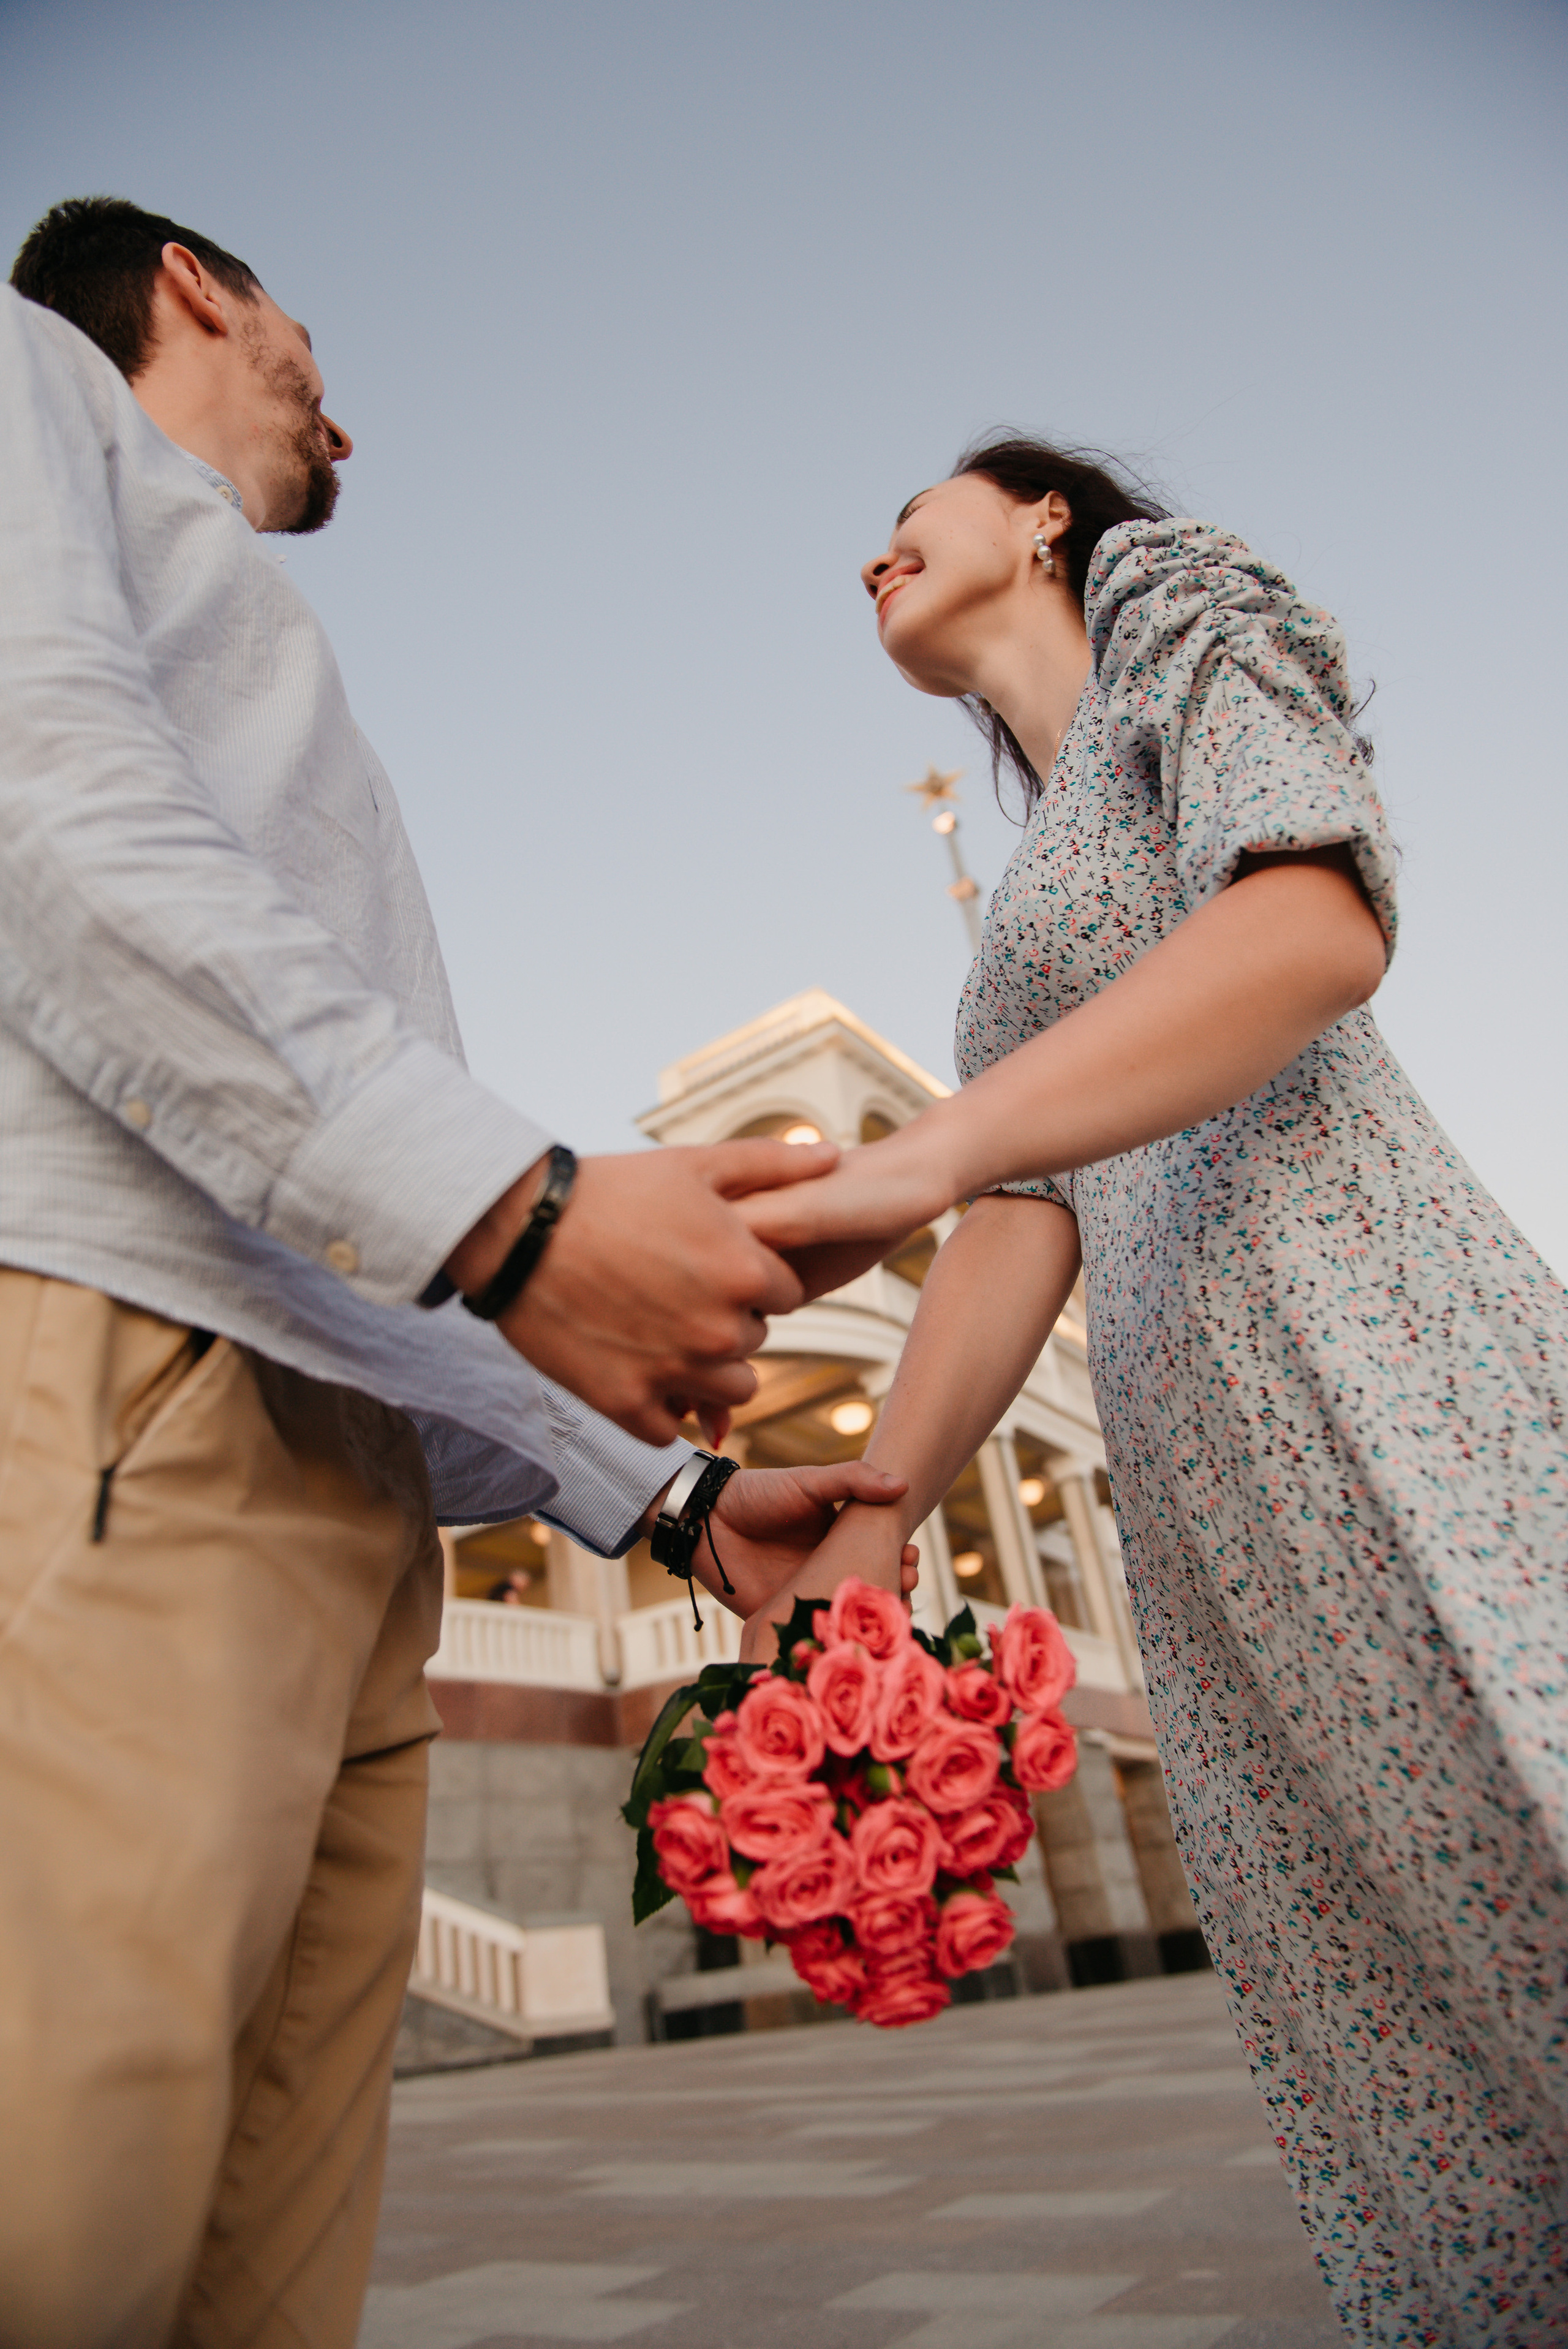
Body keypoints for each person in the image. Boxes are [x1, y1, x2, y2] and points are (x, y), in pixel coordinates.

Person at [0, 197, 916, 2349]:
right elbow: (45, 816)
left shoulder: (277, 664)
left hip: (349, 1500)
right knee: (61, 2225)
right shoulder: (32, 386)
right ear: (201, 285)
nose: (343, 380)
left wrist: (672, 1496)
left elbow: (368, 1241)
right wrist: (518, 1211)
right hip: (132, 1385)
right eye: (301, 310)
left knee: (258, 2275)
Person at [737, 436, 1568, 2347]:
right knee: (1396, 1956)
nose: (876, 556)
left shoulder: (1177, 619)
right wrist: (871, 1522)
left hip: (1369, 1346)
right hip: (1204, 1465)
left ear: (1046, 517)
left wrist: (914, 1161)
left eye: (911, 514)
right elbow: (1028, 1222)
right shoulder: (1016, 947)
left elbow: (1311, 928)